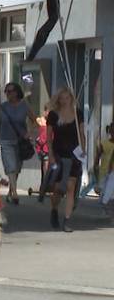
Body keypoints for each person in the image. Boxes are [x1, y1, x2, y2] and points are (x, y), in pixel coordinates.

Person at [46, 87, 85, 232]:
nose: (64, 101)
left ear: (71, 98)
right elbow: (49, 136)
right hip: (58, 154)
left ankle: (66, 221)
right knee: (58, 189)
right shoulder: (53, 115)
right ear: (58, 99)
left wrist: (83, 151)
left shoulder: (77, 113)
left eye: (67, 98)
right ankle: (54, 210)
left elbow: (82, 133)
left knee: (71, 187)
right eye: (61, 98)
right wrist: (50, 154)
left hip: (74, 154)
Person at [0, 82, 36, 204]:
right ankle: (15, 193)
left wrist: (30, 133)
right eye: (6, 91)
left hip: (20, 141)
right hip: (5, 140)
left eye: (10, 91)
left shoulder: (24, 106)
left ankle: (10, 191)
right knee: (11, 167)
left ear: (17, 92)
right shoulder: (2, 108)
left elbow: (35, 120)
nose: (8, 94)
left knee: (17, 167)